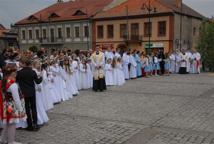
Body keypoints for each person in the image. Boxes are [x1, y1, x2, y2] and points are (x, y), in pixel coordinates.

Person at [1, 65, 26, 144]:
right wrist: (21, 110)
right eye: (15, 71)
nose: (16, 73)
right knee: (12, 123)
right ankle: (11, 141)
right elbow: (17, 99)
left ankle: (2, 139)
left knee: (7, 122)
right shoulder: (13, 84)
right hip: (12, 106)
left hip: (5, 104)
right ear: (12, 73)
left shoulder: (3, 81)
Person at [16, 57, 42, 131]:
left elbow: (16, 81)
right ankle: (35, 124)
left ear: (24, 64)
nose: (19, 64)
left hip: (24, 93)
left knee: (27, 109)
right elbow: (38, 81)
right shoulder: (32, 72)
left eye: (21, 63)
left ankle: (29, 125)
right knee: (33, 108)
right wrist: (41, 77)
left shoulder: (19, 73)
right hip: (32, 92)